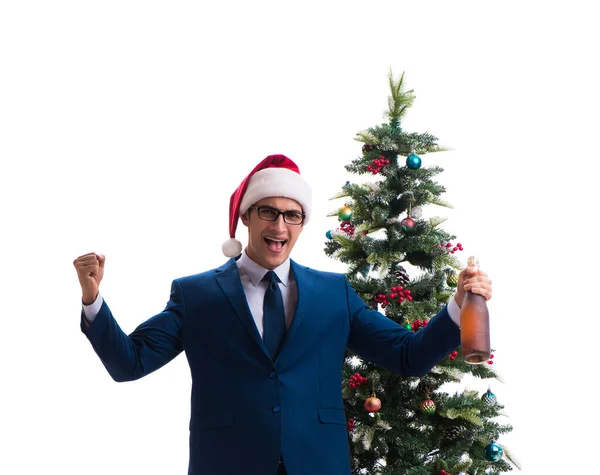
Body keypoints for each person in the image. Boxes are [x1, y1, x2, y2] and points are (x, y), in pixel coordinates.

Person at [74, 154, 492, 475]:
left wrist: (457, 305)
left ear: (302, 224)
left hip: (317, 462)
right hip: (227, 463)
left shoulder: (334, 294)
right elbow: (130, 363)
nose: (280, 226)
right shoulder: (197, 294)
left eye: (292, 215)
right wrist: (93, 299)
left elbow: (408, 355)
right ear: (246, 217)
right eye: (268, 212)